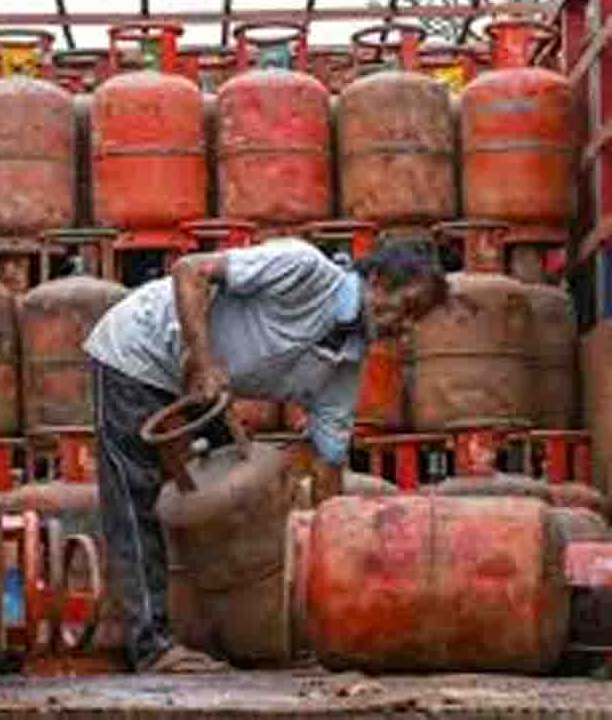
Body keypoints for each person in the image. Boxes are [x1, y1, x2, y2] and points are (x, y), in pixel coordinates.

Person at [83, 237, 448, 673]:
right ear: (378, 281)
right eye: (407, 309)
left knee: (236, 507)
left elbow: (328, 464)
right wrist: (202, 362)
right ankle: (152, 647)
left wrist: (334, 557)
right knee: (136, 500)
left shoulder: (345, 365)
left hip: (198, 383)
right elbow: (190, 270)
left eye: (416, 321)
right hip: (138, 350)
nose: (405, 330)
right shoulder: (303, 268)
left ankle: (224, 637)